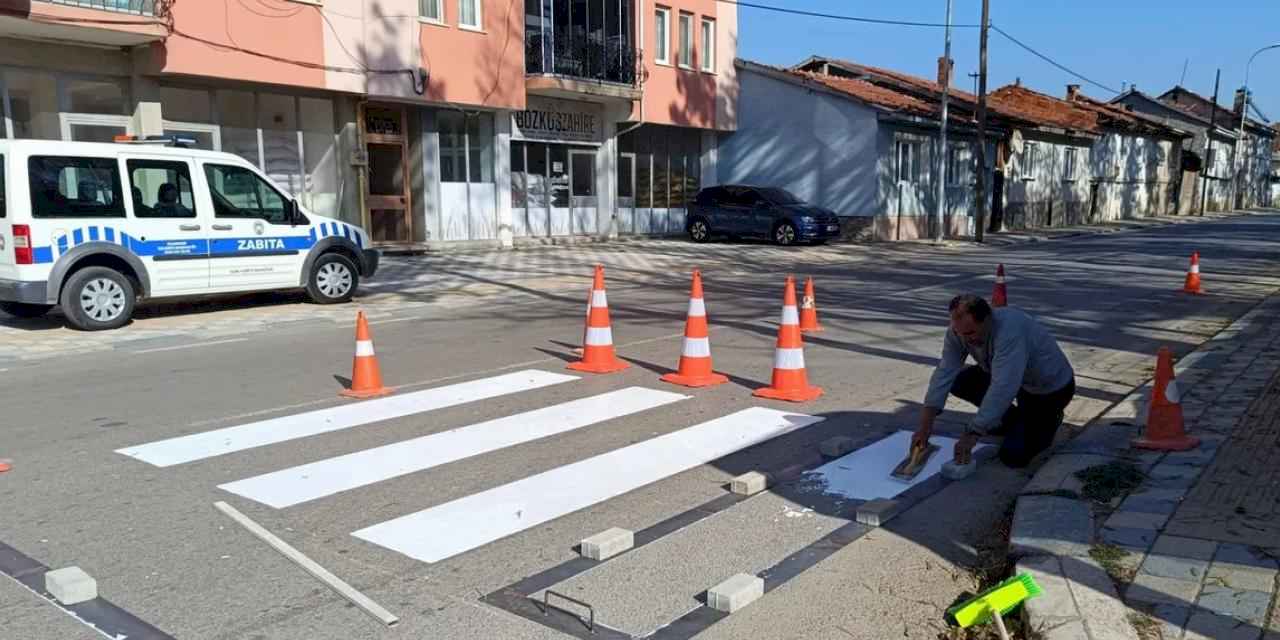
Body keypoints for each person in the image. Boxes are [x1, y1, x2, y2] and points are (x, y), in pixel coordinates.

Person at [913, 294, 1076, 468]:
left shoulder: (1009, 330)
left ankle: (1050, 419)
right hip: (1016, 381)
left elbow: (1003, 386)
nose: (966, 339)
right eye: (960, 333)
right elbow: (945, 372)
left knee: (1013, 456)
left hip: (1048, 391)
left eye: (970, 333)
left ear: (987, 319)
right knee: (960, 381)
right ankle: (1011, 421)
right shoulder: (958, 331)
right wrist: (925, 425)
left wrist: (973, 433)